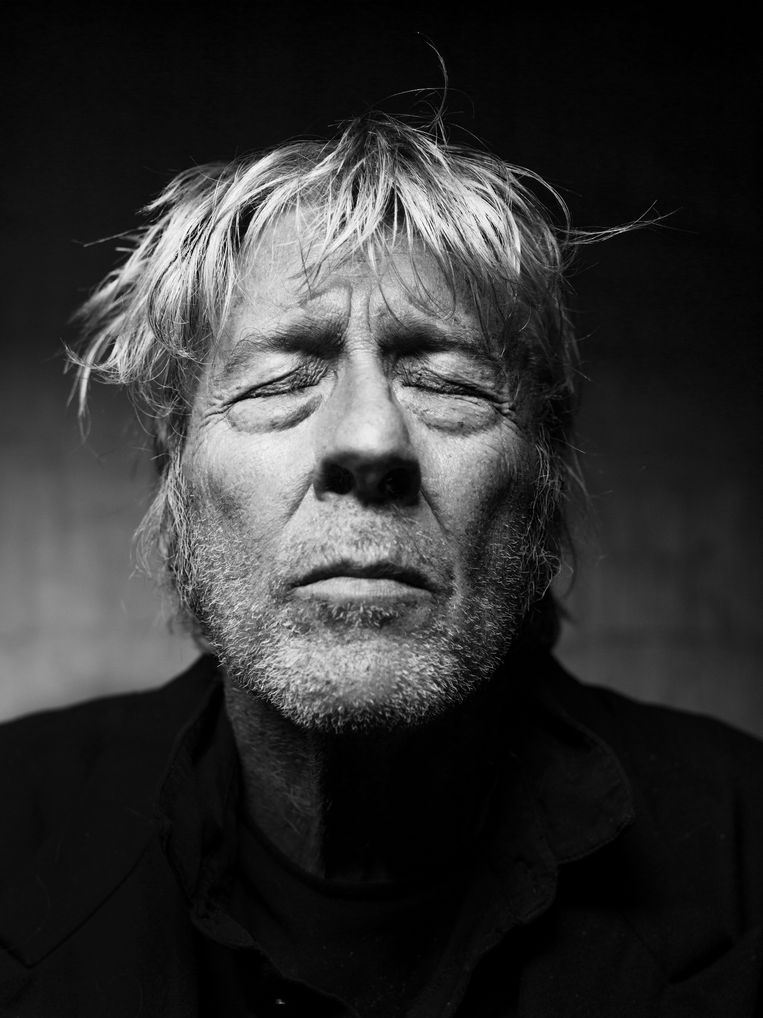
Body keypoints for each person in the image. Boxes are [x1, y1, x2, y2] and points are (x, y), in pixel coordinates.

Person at [1, 113, 761, 1018]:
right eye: (279, 381)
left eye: (448, 383)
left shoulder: (745, 856)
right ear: (176, 473)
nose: (370, 440)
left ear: (544, 476)